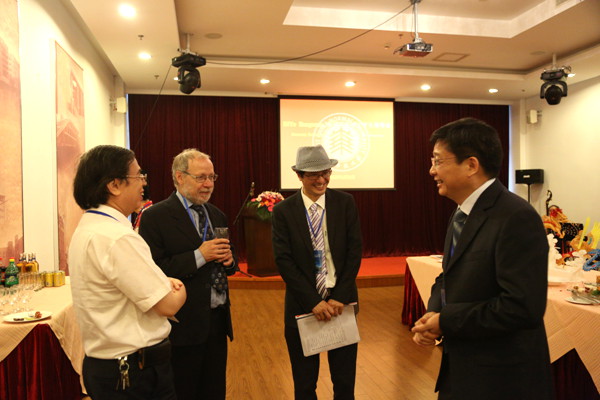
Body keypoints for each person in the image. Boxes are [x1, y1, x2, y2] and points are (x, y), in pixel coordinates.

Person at [412, 118, 553, 399]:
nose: (431, 170)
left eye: (438, 161)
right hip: (463, 368)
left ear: (471, 165)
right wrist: (433, 313)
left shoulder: (516, 216)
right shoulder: (461, 212)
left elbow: (521, 307)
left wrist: (446, 321)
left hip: (502, 378)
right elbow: (449, 275)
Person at [68, 145, 187, 400]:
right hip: (134, 372)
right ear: (114, 185)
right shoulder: (117, 237)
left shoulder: (89, 227)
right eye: (138, 175)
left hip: (106, 366)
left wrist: (160, 282)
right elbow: (167, 305)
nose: (144, 183)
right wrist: (179, 287)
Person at [139, 148, 237, 400]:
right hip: (182, 324)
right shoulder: (155, 217)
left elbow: (228, 261)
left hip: (217, 321)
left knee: (214, 391)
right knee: (184, 391)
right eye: (201, 177)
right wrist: (200, 255)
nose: (208, 184)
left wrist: (229, 261)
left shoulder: (216, 214)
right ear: (180, 177)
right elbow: (153, 269)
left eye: (212, 177)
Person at [272, 145, 362, 399]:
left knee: (344, 382)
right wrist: (313, 301)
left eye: (326, 173)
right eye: (313, 174)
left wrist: (339, 297)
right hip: (303, 306)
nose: (321, 180)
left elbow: (354, 252)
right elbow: (284, 260)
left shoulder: (345, 203)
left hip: (341, 304)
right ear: (299, 175)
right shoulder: (283, 211)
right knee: (304, 383)